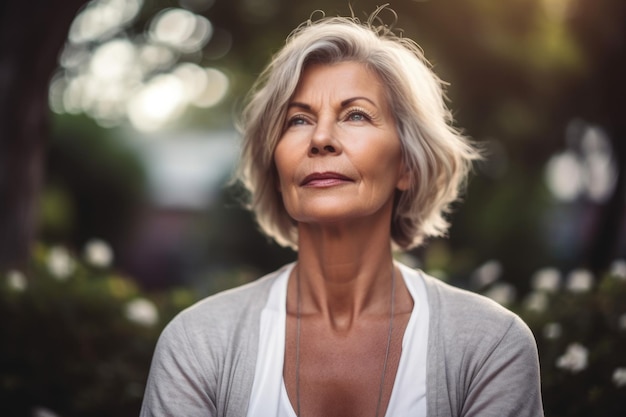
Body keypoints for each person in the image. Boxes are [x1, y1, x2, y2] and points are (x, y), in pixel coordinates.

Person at [140, 8, 544, 417]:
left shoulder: (491, 346)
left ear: (407, 164)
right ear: (277, 170)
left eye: (356, 115)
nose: (320, 139)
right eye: (298, 119)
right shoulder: (198, 343)